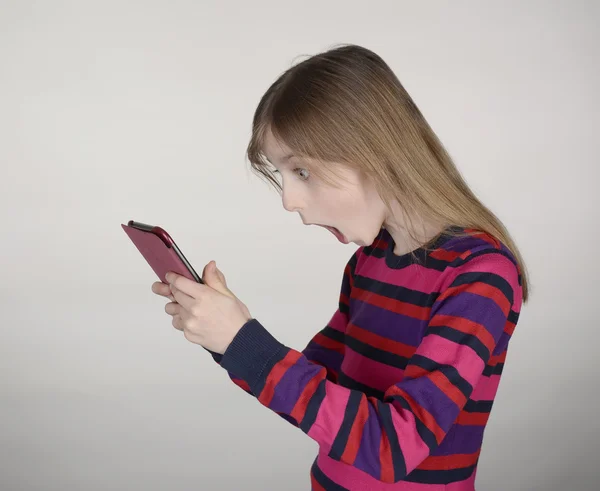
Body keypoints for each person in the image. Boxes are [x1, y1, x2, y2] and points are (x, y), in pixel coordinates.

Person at [152, 44, 529, 490]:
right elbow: (315, 400)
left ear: (372, 151)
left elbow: (393, 447)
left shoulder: (479, 274)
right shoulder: (368, 263)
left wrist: (242, 341)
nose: (289, 201)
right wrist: (227, 335)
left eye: (302, 172)